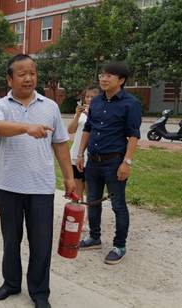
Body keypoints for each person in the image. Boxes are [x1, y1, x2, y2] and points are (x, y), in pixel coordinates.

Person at [0, 54, 75, 308]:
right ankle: (11, 284)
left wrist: (69, 177)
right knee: (10, 240)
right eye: (22, 73)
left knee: (41, 243)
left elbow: (60, 143)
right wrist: (26, 127)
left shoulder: (50, 106)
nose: (29, 78)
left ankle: (39, 292)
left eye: (33, 73)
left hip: (41, 187)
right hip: (8, 185)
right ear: (9, 78)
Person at [77, 62, 142, 265]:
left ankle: (119, 245)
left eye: (109, 76)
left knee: (118, 205)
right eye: (102, 75)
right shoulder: (95, 102)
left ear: (121, 80)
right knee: (94, 200)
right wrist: (80, 154)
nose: (103, 79)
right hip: (93, 161)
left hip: (114, 162)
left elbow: (133, 135)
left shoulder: (130, 104)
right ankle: (94, 237)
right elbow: (87, 128)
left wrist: (127, 162)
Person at [68, 86, 100, 231]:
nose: (89, 99)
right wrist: (76, 115)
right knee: (77, 191)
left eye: (92, 97)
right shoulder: (81, 114)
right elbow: (70, 130)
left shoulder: (100, 114)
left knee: (90, 193)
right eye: (87, 96)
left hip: (90, 158)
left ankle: (89, 221)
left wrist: (91, 114)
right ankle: (77, 218)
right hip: (75, 156)